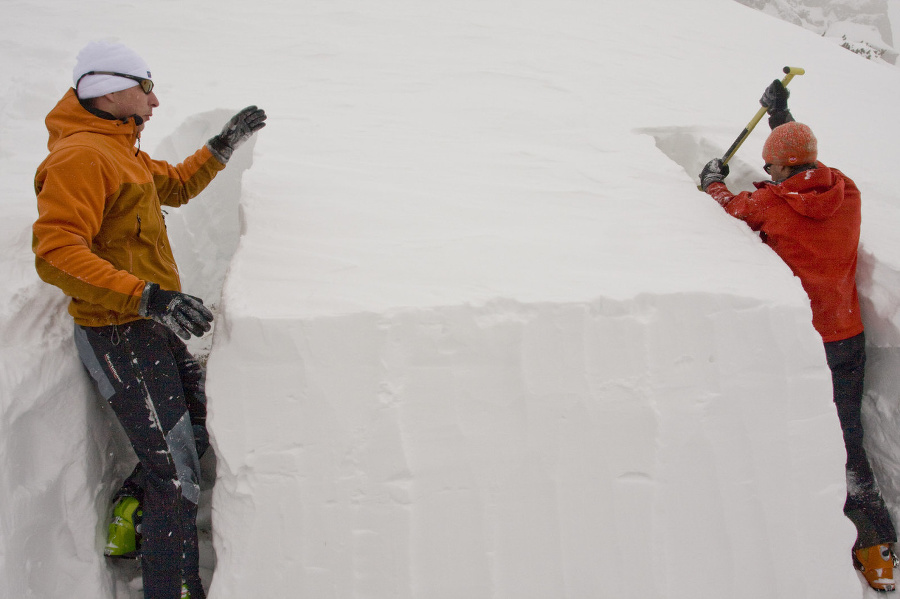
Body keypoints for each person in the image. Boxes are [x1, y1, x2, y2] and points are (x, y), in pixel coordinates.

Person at [32, 40, 267, 599]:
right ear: (109, 89)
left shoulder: (121, 150)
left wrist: (221, 145)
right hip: (118, 331)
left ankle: (131, 515)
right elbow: (57, 251)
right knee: (177, 472)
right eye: (146, 89)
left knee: (200, 426)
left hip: (146, 323)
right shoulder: (80, 157)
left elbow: (177, 186)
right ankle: (174, 587)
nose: (155, 102)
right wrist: (148, 297)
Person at [698, 80, 897, 592]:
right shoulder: (846, 190)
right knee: (851, 439)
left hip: (809, 346)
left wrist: (713, 181)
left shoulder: (770, 205)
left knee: (824, 447)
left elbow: (730, 207)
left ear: (784, 170)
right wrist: (780, 114)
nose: (766, 175)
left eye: (770, 168)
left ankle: (831, 541)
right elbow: (798, 155)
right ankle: (881, 550)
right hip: (848, 337)